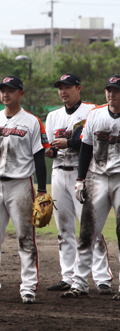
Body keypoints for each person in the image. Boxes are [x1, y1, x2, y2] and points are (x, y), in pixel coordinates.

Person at [0, 76, 50, 304]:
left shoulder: (32, 121)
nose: (6, 94)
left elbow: (39, 158)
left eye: (10, 90)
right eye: (3, 90)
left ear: (20, 93)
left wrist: (42, 189)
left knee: (26, 239)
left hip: (21, 186)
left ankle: (28, 288)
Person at [45, 74, 112, 295]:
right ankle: (68, 276)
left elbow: (89, 142)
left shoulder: (92, 111)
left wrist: (70, 142)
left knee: (91, 228)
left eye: (68, 87)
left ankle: (102, 277)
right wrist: (51, 150)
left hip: (83, 175)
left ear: (78, 88)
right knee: (64, 229)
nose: (63, 91)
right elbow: (52, 145)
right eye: (60, 88)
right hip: (58, 174)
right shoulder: (53, 116)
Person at [62, 75, 120, 299]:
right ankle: (79, 284)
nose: (111, 94)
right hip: (97, 178)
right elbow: (85, 148)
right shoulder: (95, 115)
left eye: (116, 90)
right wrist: (80, 179)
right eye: (109, 90)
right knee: (87, 232)